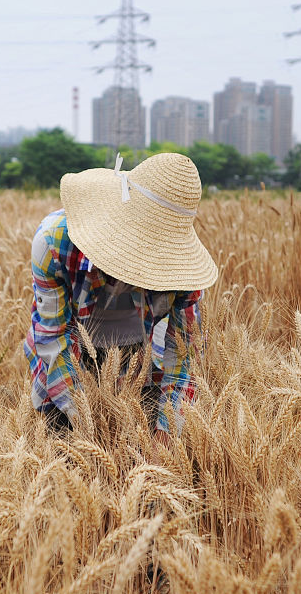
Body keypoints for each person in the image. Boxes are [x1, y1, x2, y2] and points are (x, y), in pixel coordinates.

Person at [23, 152, 218, 442]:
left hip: (144, 359)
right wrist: (88, 424)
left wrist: (166, 435)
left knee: (148, 447)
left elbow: (185, 355)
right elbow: (53, 337)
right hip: (68, 359)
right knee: (64, 448)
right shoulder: (55, 241)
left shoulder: (184, 272)